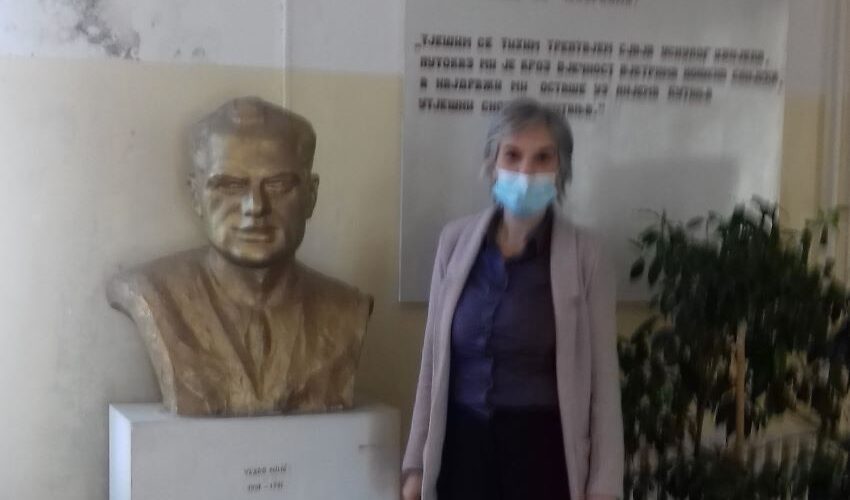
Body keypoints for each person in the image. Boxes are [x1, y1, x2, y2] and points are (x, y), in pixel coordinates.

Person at [401, 98, 623, 500]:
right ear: (492, 163)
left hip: (541, 452)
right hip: (461, 448)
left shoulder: (586, 255)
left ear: (561, 169)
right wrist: (416, 464)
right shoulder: (455, 242)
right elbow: (432, 361)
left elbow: (603, 380)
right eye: (513, 155)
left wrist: (603, 485)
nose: (526, 172)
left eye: (543, 158)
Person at [107, 97, 372, 416]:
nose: (255, 207)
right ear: (196, 196)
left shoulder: (345, 310)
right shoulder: (152, 294)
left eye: (278, 185)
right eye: (230, 186)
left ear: (311, 196)